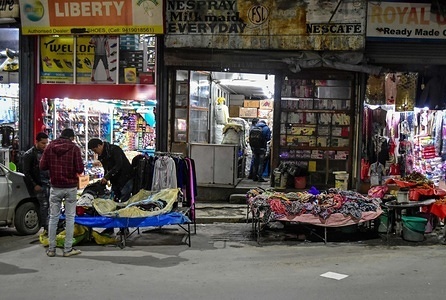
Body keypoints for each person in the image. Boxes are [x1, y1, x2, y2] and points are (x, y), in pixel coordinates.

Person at [40, 128, 84, 257]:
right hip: (70, 187)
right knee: (70, 218)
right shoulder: (75, 148)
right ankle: (68, 249)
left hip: (55, 186)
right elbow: (80, 169)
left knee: (53, 217)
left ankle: (51, 249)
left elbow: (42, 166)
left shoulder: (49, 147)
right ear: (71, 137)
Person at [87, 138, 134, 203]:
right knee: (115, 199)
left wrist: (107, 177)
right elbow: (106, 168)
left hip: (125, 177)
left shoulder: (115, 150)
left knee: (124, 199)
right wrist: (105, 178)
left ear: (99, 146)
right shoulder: (102, 155)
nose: (95, 153)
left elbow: (118, 165)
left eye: (95, 150)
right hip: (115, 180)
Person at [22, 132, 50, 235]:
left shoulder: (46, 152)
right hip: (39, 184)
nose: (45, 145)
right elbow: (26, 172)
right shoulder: (29, 154)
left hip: (48, 183)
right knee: (44, 205)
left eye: (46, 143)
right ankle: (46, 227)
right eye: (43, 143)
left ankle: (50, 226)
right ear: (37, 142)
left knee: (50, 205)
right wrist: (34, 185)